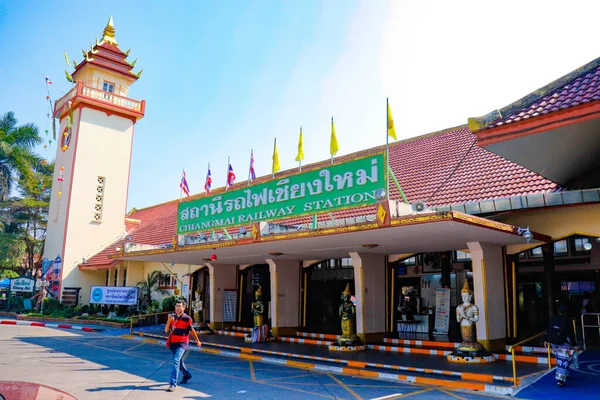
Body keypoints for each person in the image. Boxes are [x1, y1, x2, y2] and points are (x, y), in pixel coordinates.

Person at [164, 299, 201, 392]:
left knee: (176, 360)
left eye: (179, 306)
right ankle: (187, 374)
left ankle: (173, 384)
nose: (177, 308)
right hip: (173, 342)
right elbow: (166, 330)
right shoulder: (172, 317)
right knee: (179, 361)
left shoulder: (187, 319)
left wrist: (198, 341)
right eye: (176, 306)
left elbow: (192, 331)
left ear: (184, 307)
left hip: (182, 342)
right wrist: (169, 321)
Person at [545, 302, 577, 387]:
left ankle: (565, 374)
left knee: (559, 359)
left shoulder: (553, 318)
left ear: (558, 310)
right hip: (564, 342)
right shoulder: (568, 320)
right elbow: (571, 333)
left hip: (553, 342)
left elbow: (549, 329)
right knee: (563, 360)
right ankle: (560, 379)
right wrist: (574, 344)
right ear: (566, 311)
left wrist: (546, 340)